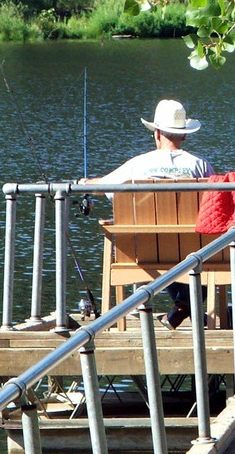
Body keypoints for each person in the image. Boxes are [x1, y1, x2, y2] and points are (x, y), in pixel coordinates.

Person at [84, 99, 213, 329]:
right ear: (184, 135)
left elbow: (102, 185)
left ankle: (181, 307)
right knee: (197, 242)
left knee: (161, 241)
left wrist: (83, 183)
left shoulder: (137, 165)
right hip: (194, 251)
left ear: (157, 133)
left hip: (140, 250)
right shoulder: (200, 166)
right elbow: (215, 204)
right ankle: (185, 306)